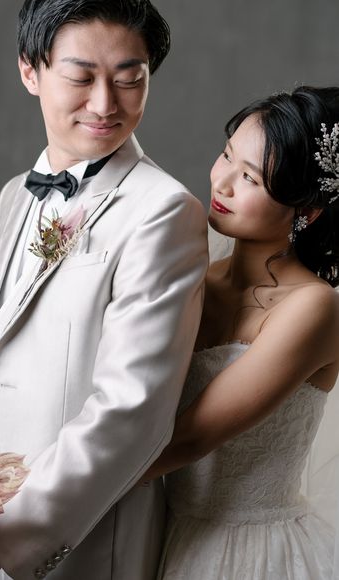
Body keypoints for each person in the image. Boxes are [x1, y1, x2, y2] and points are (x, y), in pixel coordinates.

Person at [0, 1, 208, 578]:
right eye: (80, 77)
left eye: (129, 79)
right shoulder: (14, 196)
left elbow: (132, 412)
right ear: (30, 71)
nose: (104, 104)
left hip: (85, 542)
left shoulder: (162, 210)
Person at [142, 86, 339, 579]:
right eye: (227, 155)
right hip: (160, 529)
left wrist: (59, 493)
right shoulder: (195, 276)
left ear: (307, 211)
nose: (223, 183)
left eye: (250, 177)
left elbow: (190, 439)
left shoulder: (315, 307)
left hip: (253, 553)